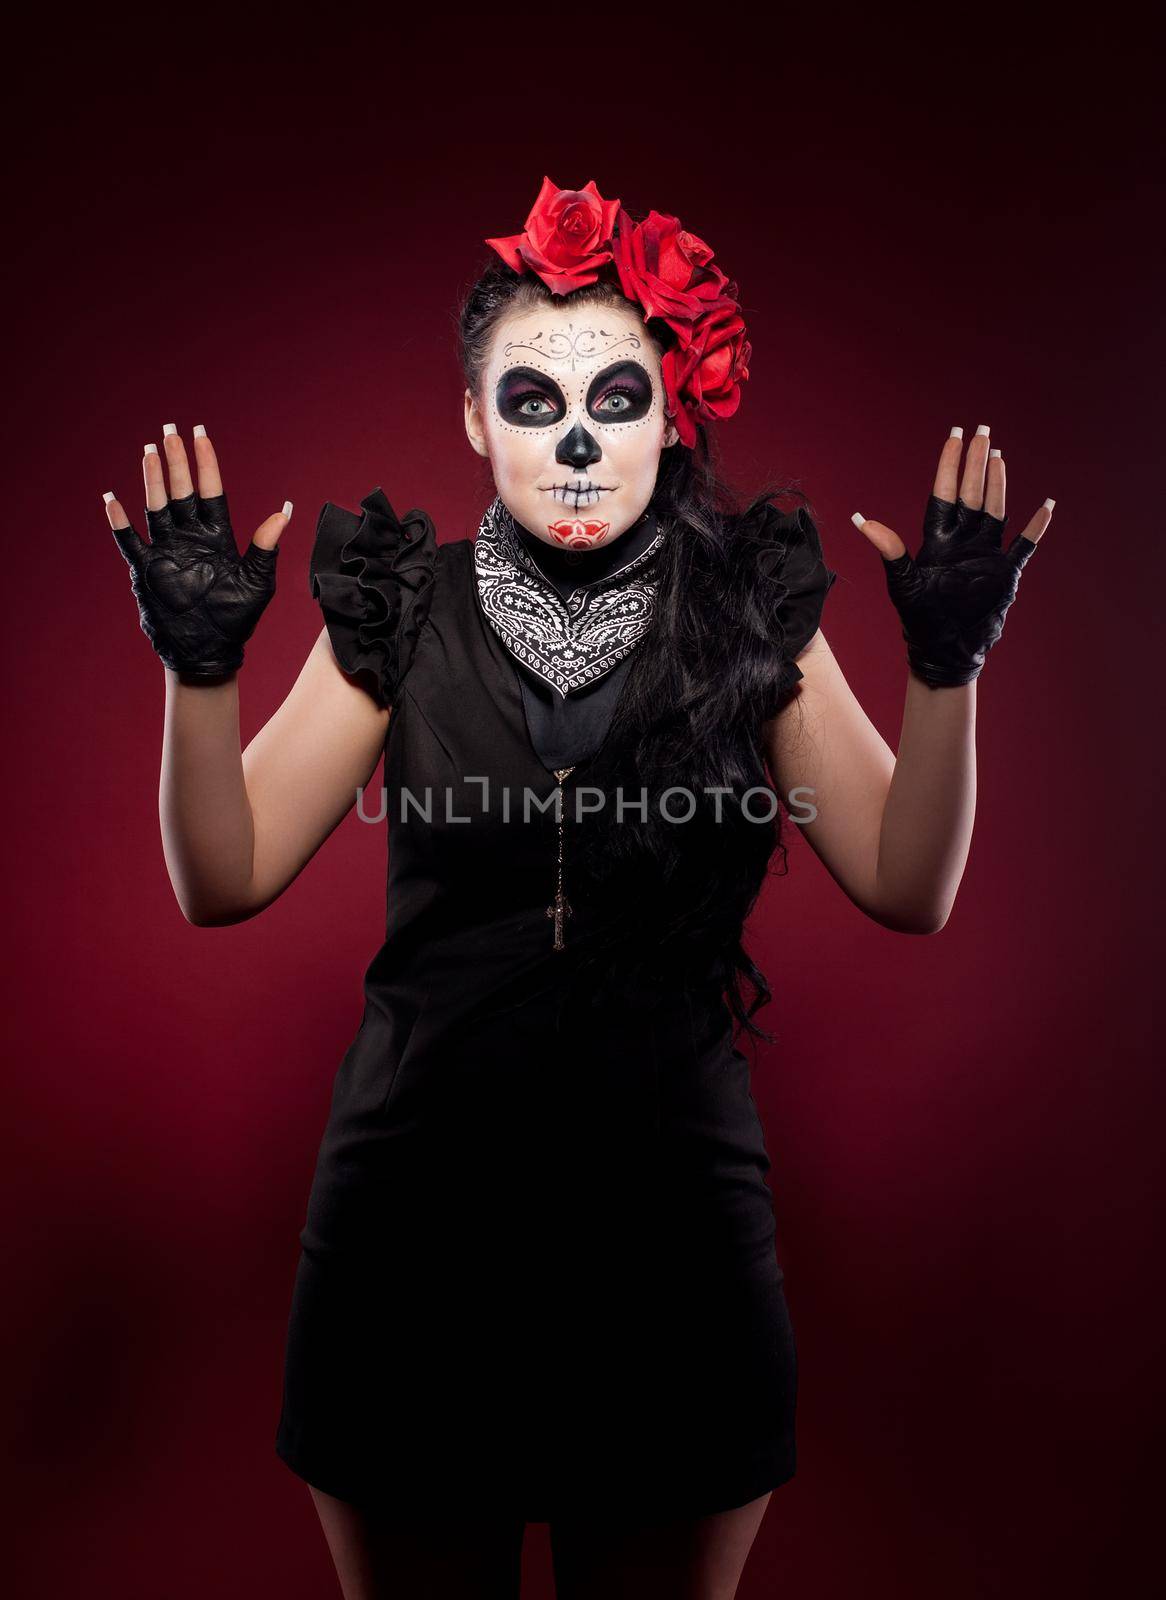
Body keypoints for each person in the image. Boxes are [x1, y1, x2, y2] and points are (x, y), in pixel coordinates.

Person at [104, 177, 1053, 1599]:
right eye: (532, 406)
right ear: (475, 421)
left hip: (673, 1256)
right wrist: (196, 674)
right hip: (409, 1250)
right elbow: (222, 879)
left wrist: (946, 673)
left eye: (614, 398)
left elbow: (906, 884)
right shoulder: (397, 608)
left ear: (672, 411)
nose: (576, 442)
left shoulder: (748, 615)